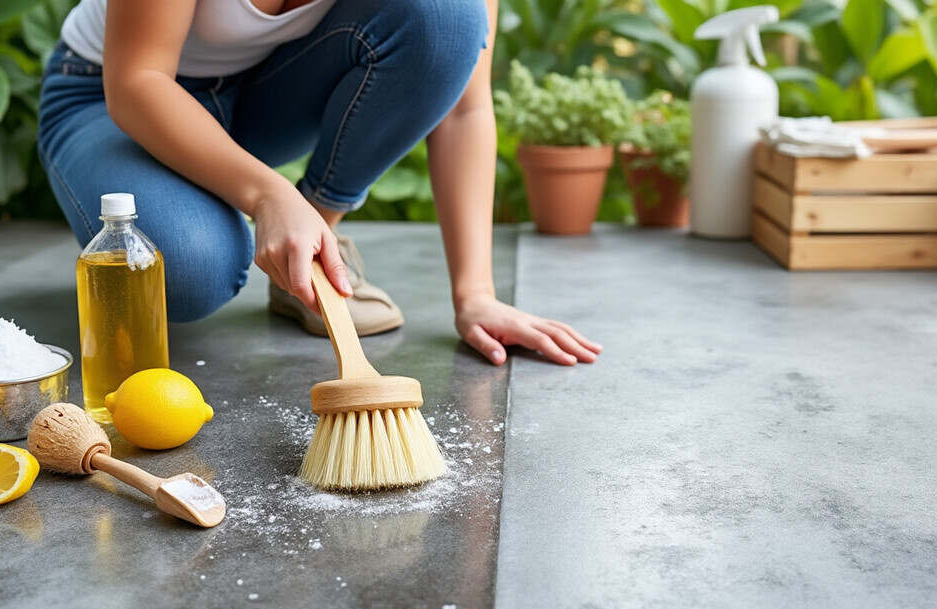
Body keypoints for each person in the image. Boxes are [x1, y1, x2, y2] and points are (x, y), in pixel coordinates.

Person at [38, 0, 601, 366]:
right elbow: (137, 79)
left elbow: (463, 109)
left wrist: (476, 295)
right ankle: (262, 215)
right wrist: (267, 194)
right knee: (187, 271)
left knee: (446, 17)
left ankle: (307, 258)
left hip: (262, 92)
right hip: (113, 99)